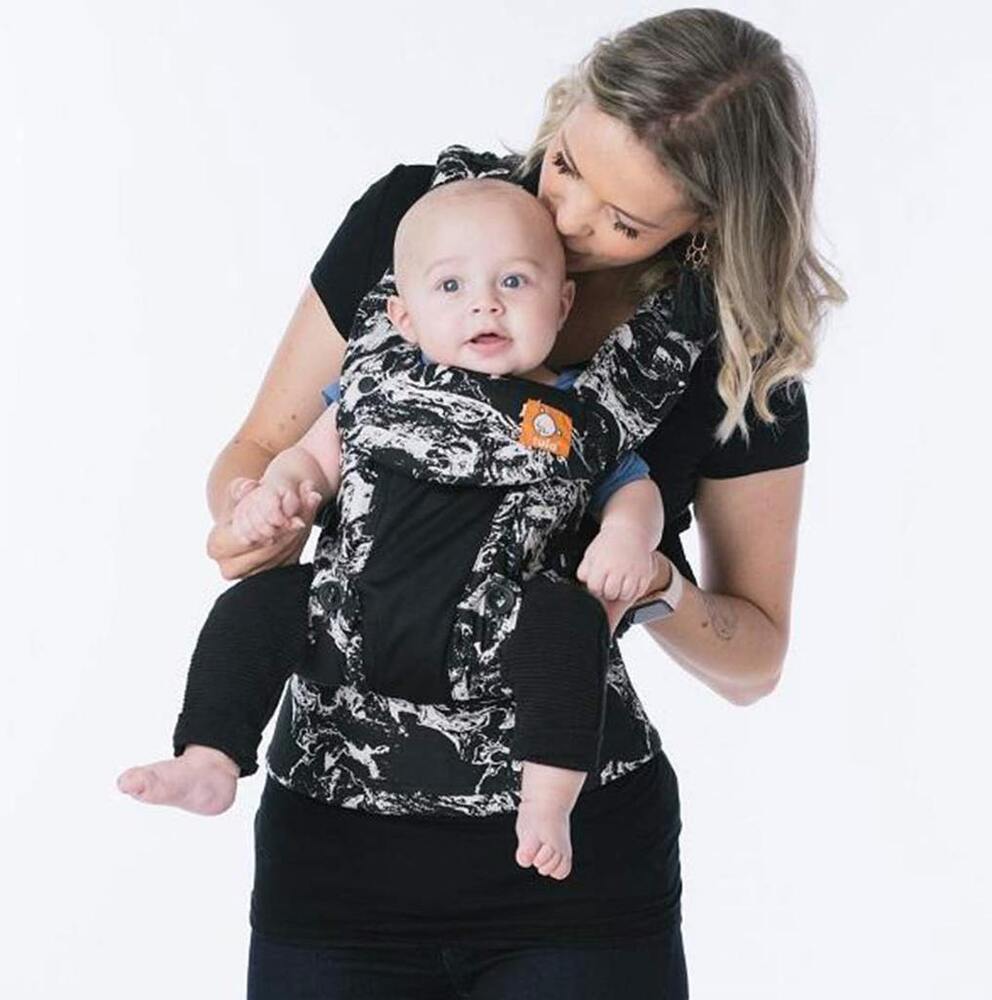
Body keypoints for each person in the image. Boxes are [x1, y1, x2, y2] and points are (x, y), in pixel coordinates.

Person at [164, 9, 848, 997]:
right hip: (335, 848)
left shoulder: (732, 356)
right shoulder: (424, 221)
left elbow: (756, 662)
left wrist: (651, 580)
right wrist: (253, 512)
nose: (565, 219)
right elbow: (265, 449)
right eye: (568, 164)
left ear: (707, 225)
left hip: (578, 867)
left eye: (622, 222)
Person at [118, 175, 679, 882]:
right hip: (348, 614)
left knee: (571, 627)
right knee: (254, 607)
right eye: (450, 286)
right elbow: (308, 459)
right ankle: (210, 757)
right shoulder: (373, 388)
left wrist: (627, 536)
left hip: (495, 628)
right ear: (403, 317)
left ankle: (546, 800)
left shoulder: (574, 418)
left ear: (562, 304)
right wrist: (276, 494)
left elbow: (634, 488)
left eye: (514, 281)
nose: (485, 303)